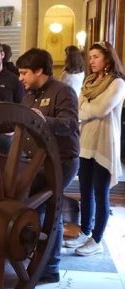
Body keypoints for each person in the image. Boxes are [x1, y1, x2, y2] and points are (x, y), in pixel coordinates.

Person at [16, 48, 80, 283]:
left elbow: (71, 124)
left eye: (24, 73)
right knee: (34, 208)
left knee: (51, 211)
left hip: (61, 161)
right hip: (36, 162)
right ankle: (35, 255)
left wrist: (44, 120)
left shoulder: (63, 91)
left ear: (39, 71)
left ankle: (50, 267)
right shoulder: (28, 94)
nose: (20, 78)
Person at [64, 41, 125, 256]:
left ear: (108, 58)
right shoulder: (89, 81)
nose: (92, 61)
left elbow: (102, 109)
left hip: (104, 143)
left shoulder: (117, 83)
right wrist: (87, 109)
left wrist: (86, 108)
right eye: (90, 57)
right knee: (85, 191)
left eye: (96, 56)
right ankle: (85, 230)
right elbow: (77, 109)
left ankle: (97, 239)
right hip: (87, 141)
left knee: (101, 193)